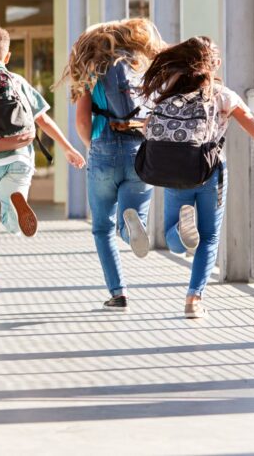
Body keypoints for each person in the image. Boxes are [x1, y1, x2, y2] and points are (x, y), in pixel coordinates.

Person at [138, 36, 254, 318]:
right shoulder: (222, 95)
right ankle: (193, 301)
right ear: (213, 65)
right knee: (208, 238)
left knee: (173, 234)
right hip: (210, 172)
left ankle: (180, 235)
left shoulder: (168, 92)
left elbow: (147, 127)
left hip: (175, 171)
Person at [0, 26, 86, 299]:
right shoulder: (16, 80)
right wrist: (68, 148)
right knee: (11, 216)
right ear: (7, 56)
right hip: (19, 157)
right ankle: (15, 211)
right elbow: (43, 120)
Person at [63, 19, 164, 311]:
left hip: (104, 147)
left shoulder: (92, 70)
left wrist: (91, 146)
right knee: (131, 217)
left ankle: (118, 293)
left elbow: (82, 120)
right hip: (139, 150)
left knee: (101, 228)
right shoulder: (142, 67)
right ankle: (131, 223)